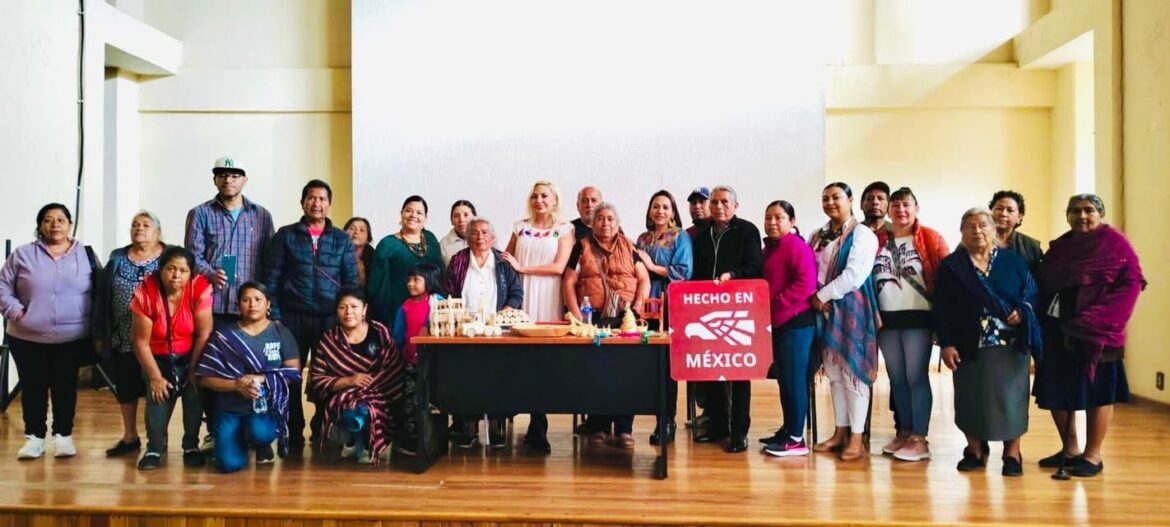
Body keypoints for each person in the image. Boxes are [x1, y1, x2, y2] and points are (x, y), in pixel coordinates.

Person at [1033, 194, 1145, 478]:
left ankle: (1093, 455)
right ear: (1067, 215)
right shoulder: (1061, 248)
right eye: (1075, 211)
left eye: (1089, 210)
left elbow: (1132, 284)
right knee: (1057, 388)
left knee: (1098, 392)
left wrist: (1095, 320)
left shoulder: (1116, 244)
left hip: (1098, 333)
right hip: (1058, 330)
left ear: (1100, 214)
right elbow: (1044, 282)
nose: (1082, 216)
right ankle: (1070, 449)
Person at [935, 207, 1041, 477]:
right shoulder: (952, 266)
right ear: (961, 231)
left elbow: (1031, 292)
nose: (977, 230)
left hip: (1011, 344)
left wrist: (1023, 311)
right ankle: (975, 450)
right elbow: (942, 308)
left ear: (993, 230)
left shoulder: (1012, 261)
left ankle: (1012, 452)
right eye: (970, 226)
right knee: (971, 397)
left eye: (983, 225)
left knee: (1011, 399)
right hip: (968, 343)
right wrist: (947, 343)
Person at [186, 157, 276, 452]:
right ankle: (214, 430)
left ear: (245, 180)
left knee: (251, 370)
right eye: (222, 175)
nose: (228, 180)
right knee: (215, 373)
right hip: (214, 308)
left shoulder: (261, 216)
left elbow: (269, 261)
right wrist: (210, 273)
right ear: (215, 180)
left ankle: (249, 430)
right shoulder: (200, 214)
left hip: (251, 312)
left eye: (235, 175)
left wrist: (267, 304)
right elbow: (191, 258)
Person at [263, 179, 359, 449]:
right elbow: (271, 279)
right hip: (292, 316)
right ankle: (293, 429)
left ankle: (321, 426)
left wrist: (346, 317)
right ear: (303, 202)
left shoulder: (341, 239)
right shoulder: (285, 235)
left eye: (322, 199)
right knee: (291, 375)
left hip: (329, 318)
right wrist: (275, 317)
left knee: (326, 375)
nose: (317, 203)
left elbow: (351, 281)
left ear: (329, 204)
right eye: (312, 198)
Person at [0, 203, 96, 460]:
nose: (55, 225)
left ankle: (63, 436)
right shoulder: (22, 254)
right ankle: (35, 438)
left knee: (66, 386)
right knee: (33, 386)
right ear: (40, 225)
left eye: (61, 220)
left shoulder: (85, 254)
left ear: (70, 224)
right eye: (48, 220)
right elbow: (2, 286)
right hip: (27, 336)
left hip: (72, 336)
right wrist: (16, 312)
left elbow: (99, 288)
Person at [564, 203, 651, 449]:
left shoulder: (629, 245)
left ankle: (624, 429)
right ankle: (598, 426)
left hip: (625, 319)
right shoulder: (581, 246)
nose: (605, 223)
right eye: (600, 219)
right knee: (596, 373)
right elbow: (568, 282)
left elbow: (643, 278)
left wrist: (638, 306)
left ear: (617, 222)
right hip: (594, 319)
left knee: (626, 374)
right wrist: (577, 316)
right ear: (592, 223)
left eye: (610, 219)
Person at [872, 187, 949, 461]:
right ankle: (904, 432)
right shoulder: (878, 240)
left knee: (916, 377)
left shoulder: (929, 237)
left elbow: (946, 279)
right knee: (897, 379)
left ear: (916, 208)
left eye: (906, 205)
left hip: (919, 318)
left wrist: (943, 322)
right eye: (896, 205)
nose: (901, 210)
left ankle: (920, 438)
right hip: (886, 320)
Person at [196, 282, 301, 472]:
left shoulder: (281, 333)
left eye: (258, 299)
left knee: (260, 432)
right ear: (239, 305)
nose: (252, 304)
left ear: (268, 304)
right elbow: (205, 379)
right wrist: (237, 385)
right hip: (229, 407)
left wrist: (262, 379)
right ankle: (238, 440)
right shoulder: (223, 336)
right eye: (246, 300)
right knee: (229, 465)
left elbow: (293, 373)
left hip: (263, 406)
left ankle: (261, 443)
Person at [808, 182, 880, 462]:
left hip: (851, 311)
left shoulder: (863, 235)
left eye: (836, 197)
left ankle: (857, 439)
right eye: (825, 198)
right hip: (823, 312)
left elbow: (855, 275)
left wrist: (821, 295)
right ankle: (840, 433)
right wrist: (816, 297)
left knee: (853, 375)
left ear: (850, 200)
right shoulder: (817, 235)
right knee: (834, 375)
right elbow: (810, 268)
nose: (830, 202)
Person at [501, 180, 574, 452]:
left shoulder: (564, 229)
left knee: (543, 360)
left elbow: (558, 267)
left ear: (554, 200)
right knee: (519, 357)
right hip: (522, 296)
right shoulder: (519, 227)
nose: (539, 200)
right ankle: (515, 413)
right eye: (535, 196)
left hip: (548, 296)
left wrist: (523, 268)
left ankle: (539, 422)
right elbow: (506, 260)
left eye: (545, 196)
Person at [690, 185, 764, 453]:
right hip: (708, 310)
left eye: (724, 202)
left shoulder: (747, 230)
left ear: (735, 205)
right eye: (715, 202)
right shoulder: (702, 235)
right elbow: (696, 273)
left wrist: (733, 275)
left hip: (738, 310)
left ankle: (739, 432)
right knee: (713, 369)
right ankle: (719, 426)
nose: (719, 207)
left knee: (739, 373)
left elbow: (755, 266)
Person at [442, 217, 524, 448]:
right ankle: (468, 427)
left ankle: (496, 427)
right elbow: (448, 291)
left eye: (485, 232)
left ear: (493, 237)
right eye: (475, 233)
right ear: (468, 237)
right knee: (467, 378)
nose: (480, 237)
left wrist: (505, 312)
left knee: (497, 377)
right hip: (465, 330)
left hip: (496, 331)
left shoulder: (503, 262)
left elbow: (516, 293)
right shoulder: (458, 260)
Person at [130, 246, 213, 470]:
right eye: (170, 269)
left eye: (183, 271)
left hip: (190, 356)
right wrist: (155, 377)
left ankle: (191, 446)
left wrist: (194, 370)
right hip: (157, 358)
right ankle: (155, 448)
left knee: (193, 397)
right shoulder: (146, 292)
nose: (176, 275)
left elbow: (204, 334)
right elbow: (140, 342)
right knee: (157, 400)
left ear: (191, 274)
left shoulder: (199, 289)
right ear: (160, 270)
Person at [92, 211, 165, 458]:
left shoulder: (168, 257)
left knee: (157, 388)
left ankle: (157, 440)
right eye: (135, 225)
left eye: (145, 225)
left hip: (158, 338)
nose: (139, 228)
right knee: (126, 387)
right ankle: (130, 436)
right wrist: (99, 332)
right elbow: (102, 296)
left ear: (158, 232)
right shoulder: (117, 258)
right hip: (123, 335)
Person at [309, 288, 406, 465]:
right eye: (342, 307)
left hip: (381, 394)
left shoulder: (380, 332)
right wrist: (350, 381)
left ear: (364, 309)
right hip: (343, 398)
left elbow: (393, 368)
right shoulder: (330, 339)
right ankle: (351, 440)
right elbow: (317, 378)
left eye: (354, 307)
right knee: (352, 407)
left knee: (365, 408)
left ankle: (370, 442)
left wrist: (368, 388)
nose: (348, 312)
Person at [758, 201, 818, 458]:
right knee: (785, 379)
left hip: (796, 322)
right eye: (768, 218)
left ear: (792, 221)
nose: (772, 222)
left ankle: (796, 439)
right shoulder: (770, 249)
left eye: (778, 217)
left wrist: (775, 303)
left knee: (795, 380)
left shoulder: (795, 246)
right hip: (779, 323)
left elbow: (806, 284)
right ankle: (789, 429)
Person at [633, 190, 693, 445]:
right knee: (647, 364)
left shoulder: (680, 237)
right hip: (644, 303)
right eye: (655, 206)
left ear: (673, 212)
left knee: (666, 365)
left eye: (665, 207)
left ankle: (667, 420)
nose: (660, 211)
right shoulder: (643, 238)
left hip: (669, 304)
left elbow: (683, 272)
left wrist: (650, 266)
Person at [391, 263, 445, 453]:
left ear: (429, 281)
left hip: (435, 364)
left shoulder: (438, 302)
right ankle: (413, 441)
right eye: (409, 280)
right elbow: (398, 337)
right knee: (412, 402)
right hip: (411, 364)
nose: (410, 284)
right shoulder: (405, 307)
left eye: (416, 280)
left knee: (433, 402)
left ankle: (434, 440)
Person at [368, 195, 444, 326]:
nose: (413, 215)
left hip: (432, 312)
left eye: (419, 212)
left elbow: (440, 274)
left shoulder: (430, 239)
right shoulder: (388, 245)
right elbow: (378, 286)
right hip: (399, 312)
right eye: (409, 210)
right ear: (401, 214)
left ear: (425, 218)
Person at [989, 190, 1043, 270]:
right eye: (999, 209)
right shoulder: (975, 241)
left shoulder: (1032, 246)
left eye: (1010, 210)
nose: (1003, 214)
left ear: (1019, 217)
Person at [439, 200, 476, 265]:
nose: (461, 219)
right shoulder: (443, 244)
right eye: (456, 216)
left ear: (475, 218)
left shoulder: (486, 239)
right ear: (451, 221)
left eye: (466, 215)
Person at [344, 217, 375, 288]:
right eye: (352, 228)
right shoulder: (334, 253)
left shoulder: (375, 258)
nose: (356, 232)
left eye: (362, 230)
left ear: (368, 238)